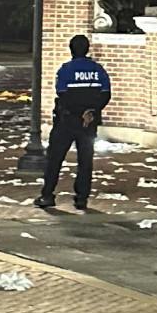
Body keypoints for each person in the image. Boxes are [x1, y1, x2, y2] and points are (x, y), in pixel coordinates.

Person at [35, 34, 111, 211]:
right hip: (88, 123)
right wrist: (90, 112)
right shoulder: (98, 70)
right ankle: (81, 199)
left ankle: (47, 195)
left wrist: (79, 112)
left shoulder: (66, 70)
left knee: (55, 159)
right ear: (87, 49)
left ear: (71, 49)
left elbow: (63, 95)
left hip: (67, 121)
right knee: (85, 161)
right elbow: (106, 94)